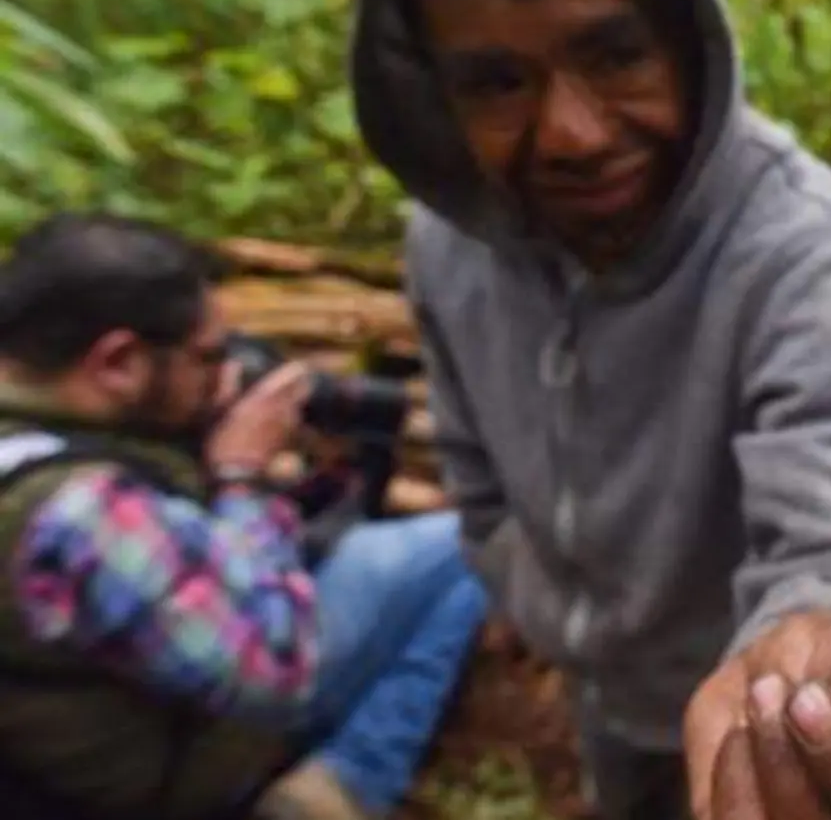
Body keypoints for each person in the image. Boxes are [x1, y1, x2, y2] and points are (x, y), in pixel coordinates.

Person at [347, 0, 831, 820]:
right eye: (497, 81)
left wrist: (820, 648)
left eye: (615, 53)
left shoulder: (798, 247)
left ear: (686, 33)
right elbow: (472, 471)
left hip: (739, 707)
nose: (576, 133)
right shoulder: (444, 246)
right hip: (598, 697)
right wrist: (525, 593)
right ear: (434, 95)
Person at [0, 212, 488, 820]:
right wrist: (242, 475)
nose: (225, 375)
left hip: (51, 755)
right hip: (147, 780)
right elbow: (276, 670)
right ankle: (346, 781)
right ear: (118, 363)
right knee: (466, 541)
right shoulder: (78, 510)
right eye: (206, 358)